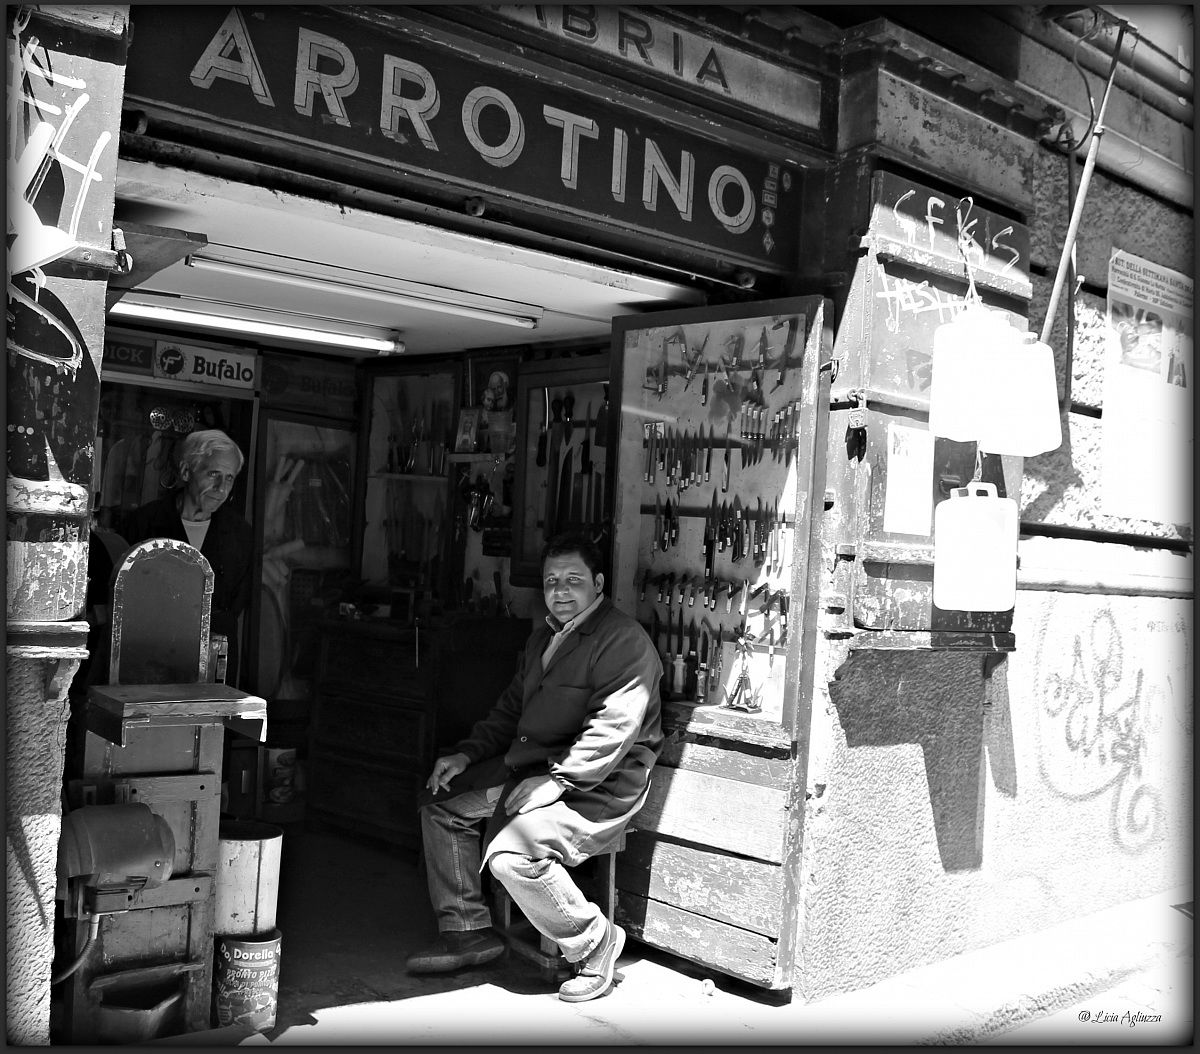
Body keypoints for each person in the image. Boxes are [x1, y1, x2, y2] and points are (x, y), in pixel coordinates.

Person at [405, 532, 663, 1003]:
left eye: (573, 580)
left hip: (601, 784)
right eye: (551, 582)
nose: (561, 591)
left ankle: (594, 944)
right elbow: (508, 710)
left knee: (513, 857)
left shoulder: (623, 641)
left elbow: (613, 730)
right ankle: (467, 930)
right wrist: (466, 752)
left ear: (599, 583)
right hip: (536, 771)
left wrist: (558, 781)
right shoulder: (545, 635)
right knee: (440, 806)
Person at [122, 429, 252, 684]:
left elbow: (236, 603)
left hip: (212, 667)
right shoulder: (143, 524)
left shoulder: (240, 534)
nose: (221, 488)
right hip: (148, 660)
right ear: (185, 472)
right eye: (213, 474)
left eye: (229, 478)